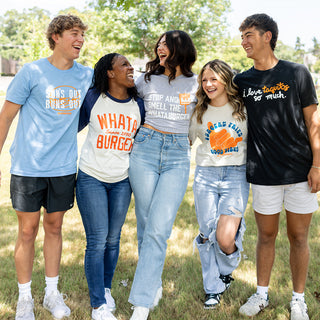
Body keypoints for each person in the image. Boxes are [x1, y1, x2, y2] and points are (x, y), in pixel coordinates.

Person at [0, 15, 93, 320]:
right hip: (28, 166)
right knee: (27, 231)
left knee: (54, 227)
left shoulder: (86, 76)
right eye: (74, 34)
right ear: (56, 36)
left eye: (82, 35)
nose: (80, 40)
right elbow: (5, 118)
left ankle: (52, 293)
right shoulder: (32, 72)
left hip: (64, 167)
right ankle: (25, 298)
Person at [234, 13, 320, 320]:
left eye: (249, 35)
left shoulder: (297, 73)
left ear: (268, 36)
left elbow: (313, 121)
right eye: (242, 36)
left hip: (299, 171)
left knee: (299, 237)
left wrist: (317, 165)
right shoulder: (242, 80)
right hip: (263, 173)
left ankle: (299, 300)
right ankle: (261, 294)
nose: (243, 41)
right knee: (266, 236)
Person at [128, 30, 198, 320]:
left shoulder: (197, 83)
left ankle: (141, 303)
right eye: (159, 43)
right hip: (144, 149)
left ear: (180, 49)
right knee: (145, 223)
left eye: (166, 44)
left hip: (177, 155)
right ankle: (152, 282)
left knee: (158, 228)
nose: (160, 48)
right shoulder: (145, 80)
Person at [76, 53, 144, 320]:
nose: (131, 68)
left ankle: (105, 290)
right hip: (91, 176)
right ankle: (97, 306)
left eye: (130, 65)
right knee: (96, 242)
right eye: (124, 65)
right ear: (109, 73)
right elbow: (68, 128)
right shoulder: (93, 98)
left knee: (112, 241)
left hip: (122, 180)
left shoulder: (138, 104)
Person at [189, 59, 249, 309]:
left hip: (236, 175)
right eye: (204, 80)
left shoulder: (243, 108)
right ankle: (212, 288)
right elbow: (186, 140)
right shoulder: (198, 111)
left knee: (225, 238)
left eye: (214, 78)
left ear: (226, 80)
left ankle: (226, 270)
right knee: (206, 234)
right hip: (206, 175)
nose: (208, 84)